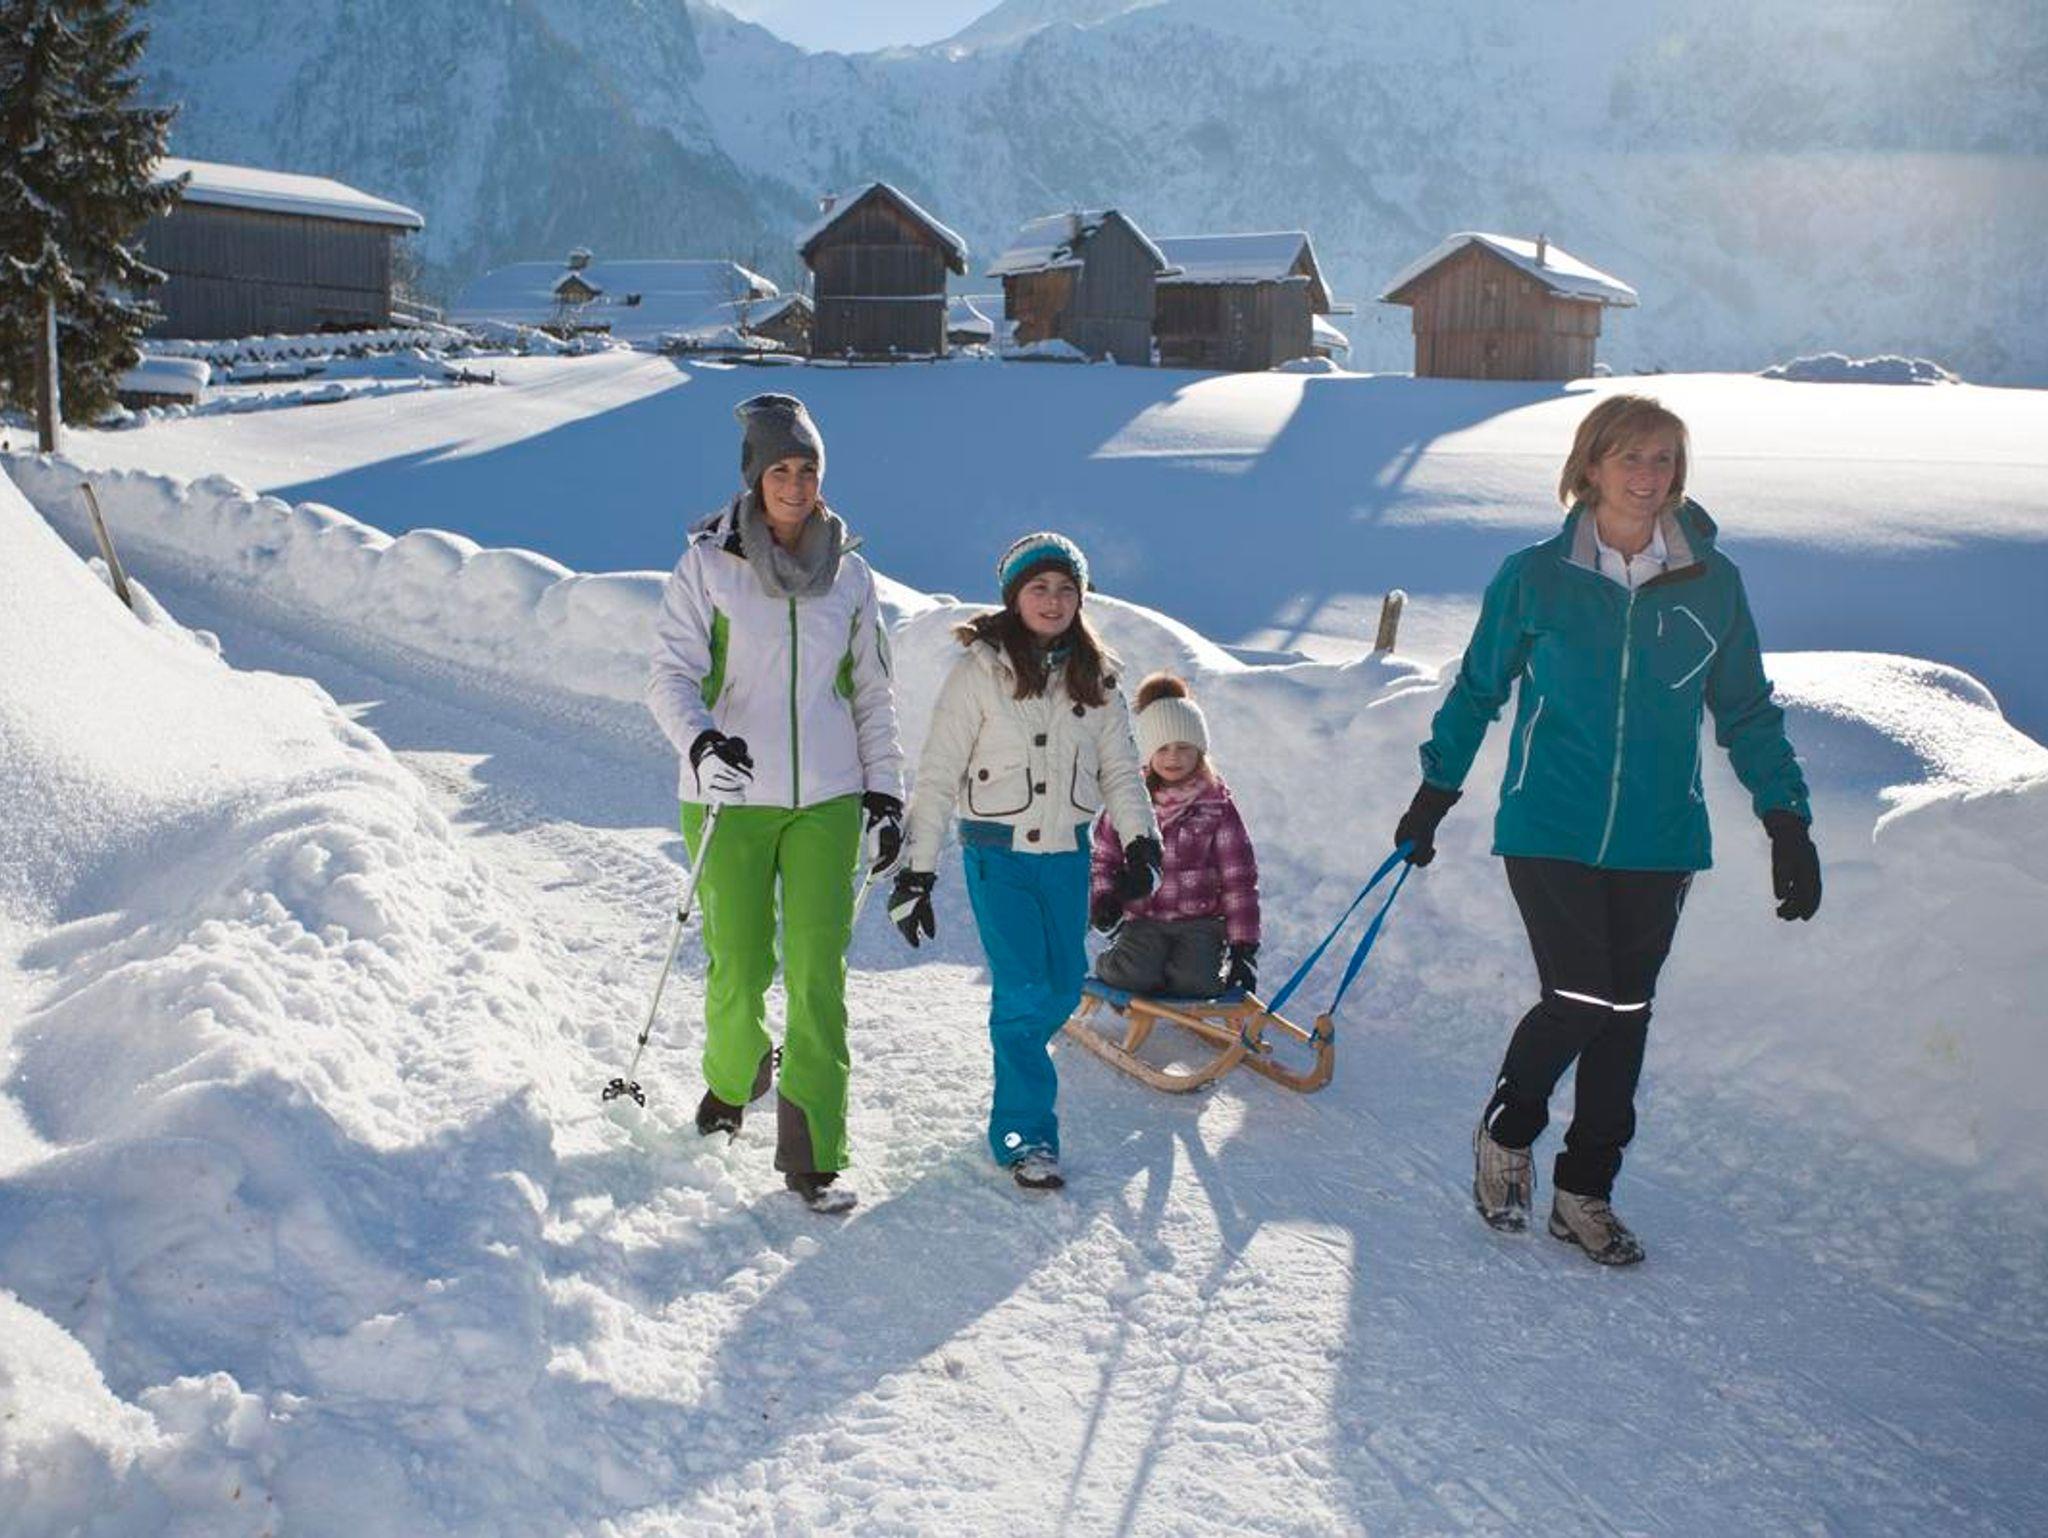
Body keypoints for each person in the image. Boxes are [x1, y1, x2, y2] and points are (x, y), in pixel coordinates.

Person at [1395, 394, 1821, 1266]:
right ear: (1590, 466)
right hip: (1548, 821)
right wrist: (1435, 791)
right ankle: (1509, 1129)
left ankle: (1584, 1192)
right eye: (1630, 456)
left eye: (1664, 458)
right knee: (1583, 996)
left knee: (1626, 1013)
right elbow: (1479, 689)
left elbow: (1745, 710)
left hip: (1660, 836)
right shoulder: (1535, 577)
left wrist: (1787, 819)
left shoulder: (1713, 583)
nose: (1648, 475)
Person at [646, 393, 904, 1215]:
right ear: (754, 478)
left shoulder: (850, 574)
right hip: (730, 797)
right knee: (741, 965)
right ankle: (733, 1078)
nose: (795, 485)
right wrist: (700, 743)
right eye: (780, 469)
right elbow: (671, 676)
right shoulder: (706, 566)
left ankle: (814, 1154)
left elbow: (872, 693)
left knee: (818, 975)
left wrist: (885, 793)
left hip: (826, 799)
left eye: (808, 469)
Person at [889, 533, 1159, 1191]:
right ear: (1015, 597)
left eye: (1066, 589)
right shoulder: (980, 671)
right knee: (1023, 991)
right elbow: (939, 772)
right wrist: (917, 871)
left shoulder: (1098, 676)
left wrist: (1140, 840)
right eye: (1039, 587)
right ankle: (1023, 1135)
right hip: (997, 855)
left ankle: (1019, 1079)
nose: (1053, 600)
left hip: (1066, 855)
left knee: (1063, 987)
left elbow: (1122, 769)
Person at [1090, 673, 1261, 999]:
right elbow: (1104, 858)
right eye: (1163, 748)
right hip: (1144, 920)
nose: (1173, 757)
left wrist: (1244, 948)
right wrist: (1105, 899)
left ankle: (1174, 971)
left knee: (1197, 985)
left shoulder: (1217, 805)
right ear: (1148, 753)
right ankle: (1123, 964)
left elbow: (1239, 879)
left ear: (1200, 750)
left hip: (1200, 923)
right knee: (1132, 974)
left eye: (1184, 747)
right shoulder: (1131, 800)